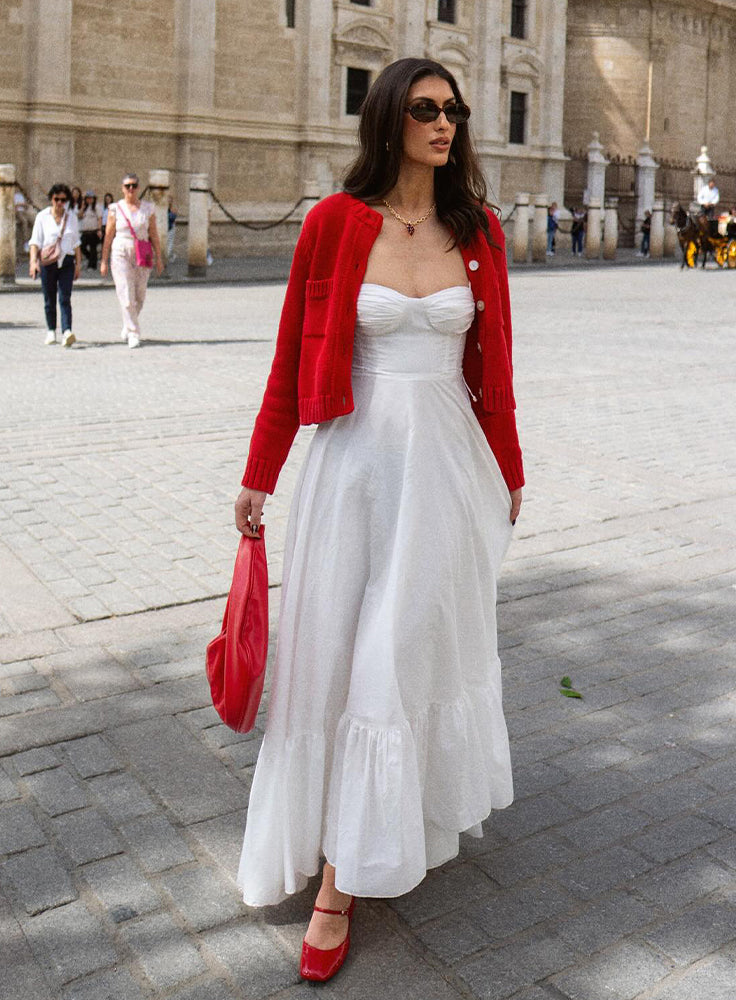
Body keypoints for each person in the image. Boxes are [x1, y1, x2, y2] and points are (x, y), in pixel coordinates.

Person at [233, 56, 523, 983]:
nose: (446, 123)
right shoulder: (332, 225)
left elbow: (498, 371)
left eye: (456, 111)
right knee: (337, 657)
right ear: (390, 116)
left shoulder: (476, 230)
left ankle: (343, 879)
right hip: (353, 469)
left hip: (445, 475)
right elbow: (291, 356)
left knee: (398, 655)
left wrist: (509, 475)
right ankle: (343, 843)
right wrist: (258, 473)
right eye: (428, 108)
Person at [100, 173, 164, 348]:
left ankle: (128, 324)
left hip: (142, 250)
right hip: (121, 249)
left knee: (140, 295)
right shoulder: (115, 208)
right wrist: (104, 260)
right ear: (122, 189)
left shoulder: (148, 209)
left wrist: (159, 257)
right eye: (127, 186)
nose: (130, 189)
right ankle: (134, 332)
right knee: (125, 292)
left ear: (138, 188)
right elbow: (108, 235)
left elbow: (154, 235)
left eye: (134, 186)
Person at [28, 183, 81, 347]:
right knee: (49, 298)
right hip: (47, 262)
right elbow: (35, 242)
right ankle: (51, 330)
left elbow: (76, 243)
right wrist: (32, 262)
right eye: (56, 199)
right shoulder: (42, 217)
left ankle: (67, 331)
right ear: (51, 199)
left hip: (66, 262)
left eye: (63, 200)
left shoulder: (71, 217)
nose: (59, 203)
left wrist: (78, 264)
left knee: (65, 297)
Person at [78, 190, 102, 269]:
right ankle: (91, 258)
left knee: (93, 248)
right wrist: (82, 207)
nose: (89, 200)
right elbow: (80, 216)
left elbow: (99, 218)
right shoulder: (84, 207)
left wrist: (99, 229)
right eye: (88, 198)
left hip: (93, 231)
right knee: (81, 246)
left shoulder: (96, 207)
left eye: (91, 198)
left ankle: (92, 265)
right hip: (85, 231)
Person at [167, 198, 177, 262]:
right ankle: (172, 255)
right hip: (167, 228)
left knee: (170, 243)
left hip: (170, 228)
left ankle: (169, 256)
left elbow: (173, 218)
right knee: (167, 243)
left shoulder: (172, 210)